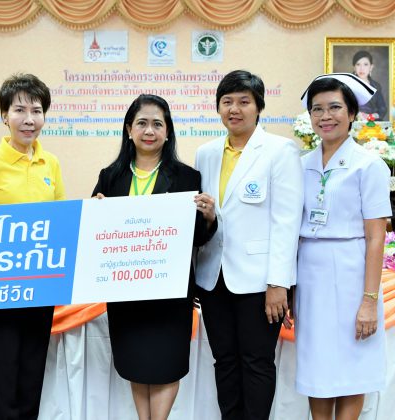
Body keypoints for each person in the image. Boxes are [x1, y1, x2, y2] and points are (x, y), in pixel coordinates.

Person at [92, 94, 217, 420]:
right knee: (136, 364)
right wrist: (95, 211)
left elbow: (196, 239)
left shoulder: (187, 177)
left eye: (158, 124)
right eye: (142, 123)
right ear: (128, 129)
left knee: (166, 364)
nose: (150, 131)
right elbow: (95, 236)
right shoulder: (110, 176)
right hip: (126, 293)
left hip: (169, 294)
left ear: (168, 131)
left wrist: (208, 218)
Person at [194, 70, 303, 420]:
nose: (234, 109)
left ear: (258, 107)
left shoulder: (279, 150)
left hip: (259, 281)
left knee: (257, 361)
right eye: (227, 102)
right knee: (224, 360)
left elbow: (286, 222)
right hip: (213, 277)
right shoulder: (206, 153)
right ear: (218, 108)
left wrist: (278, 283)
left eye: (244, 101)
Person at [294, 73, 389, 420]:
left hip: (351, 272)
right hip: (310, 272)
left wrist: (369, 301)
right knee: (317, 366)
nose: (325, 116)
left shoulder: (369, 165)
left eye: (334, 107)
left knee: (351, 367)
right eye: (317, 109)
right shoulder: (300, 164)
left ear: (351, 114)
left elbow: (376, 237)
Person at [0, 73, 65, 420]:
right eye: (20, 110)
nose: (29, 119)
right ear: (4, 116)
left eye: (37, 111)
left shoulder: (50, 163)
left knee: (31, 374)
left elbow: (59, 220)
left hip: (40, 286)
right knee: (3, 375)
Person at [352, 50, 388, 120]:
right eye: (358, 64)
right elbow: (342, 107)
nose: (362, 68)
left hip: (372, 122)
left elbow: (382, 109)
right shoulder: (347, 85)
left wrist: (370, 116)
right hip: (352, 123)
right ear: (354, 67)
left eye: (365, 64)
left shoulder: (376, 86)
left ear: (371, 67)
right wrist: (358, 115)